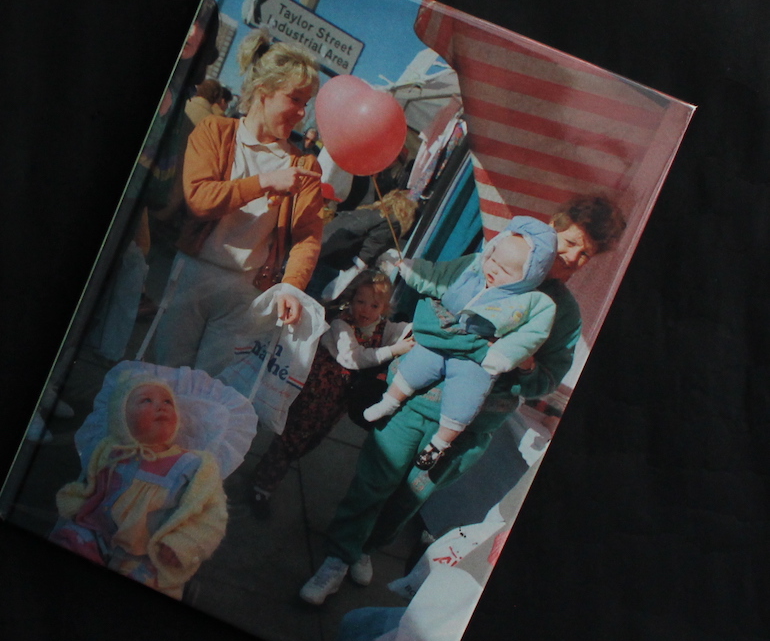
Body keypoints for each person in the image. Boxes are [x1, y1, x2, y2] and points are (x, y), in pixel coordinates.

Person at [299, 195, 626, 604]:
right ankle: (337, 556)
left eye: (586, 254)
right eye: (572, 242)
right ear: (552, 227)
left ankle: (365, 547)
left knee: (410, 497)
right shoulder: (487, 261)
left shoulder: (563, 313)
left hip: (466, 429)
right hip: (416, 402)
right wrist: (470, 343)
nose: (574, 257)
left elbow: (547, 379)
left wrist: (525, 366)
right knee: (374, 481)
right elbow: (430, 303)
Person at [153, 30, 324, 376]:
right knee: (163, 376)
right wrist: (264, 182)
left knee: (210, 387)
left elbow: (308, 235)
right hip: (193, 272)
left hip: (247, 291)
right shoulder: (214, 132)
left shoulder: (304, 165)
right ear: (264, 91)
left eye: (306, 103)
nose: (301, 113)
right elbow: (199, 200)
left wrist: (291, 286)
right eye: (295, 99)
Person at [363, 217, 557, 475]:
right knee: (415, 366)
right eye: (493, 259)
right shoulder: (473, 267)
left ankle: (439, 444)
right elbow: (438, 276)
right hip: (440, 342)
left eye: (506, 271)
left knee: (465, 398)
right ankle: (389, 401)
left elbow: (530, 335)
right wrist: (411, 270)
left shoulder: (533, 301)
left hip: (476, 359)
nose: (493, 269)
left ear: (529, 276)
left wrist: (504, 354)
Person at [247, 270, 414, 518]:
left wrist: (424, 328)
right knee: (291, 439)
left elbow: (401, 330)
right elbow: (353, 358)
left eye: (374, 305)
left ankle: (267, 474)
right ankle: (261, 486)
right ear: (351, 299)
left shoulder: (381, 326)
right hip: (316, 391)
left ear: (384, 308)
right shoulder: (341, 325)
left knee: (311, 439)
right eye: (360, 301)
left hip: (338, 399)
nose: (366, 310)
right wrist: (393, 350)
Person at [51, 373, 228, 600]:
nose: (161, 407)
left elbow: (212, 516)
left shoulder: (196, 466)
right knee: (68, 542)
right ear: (121, 418)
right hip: (96, 534)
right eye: (147, 400)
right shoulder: (111, 452)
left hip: (149, 554)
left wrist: (183, 544)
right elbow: (93, 487)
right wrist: (80, 503)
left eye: (168, 402)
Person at [307, 188, 419, 300]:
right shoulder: (391, 223)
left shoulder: (367, 211)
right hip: (334, 264)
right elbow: (367, 254)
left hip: (318, 251)